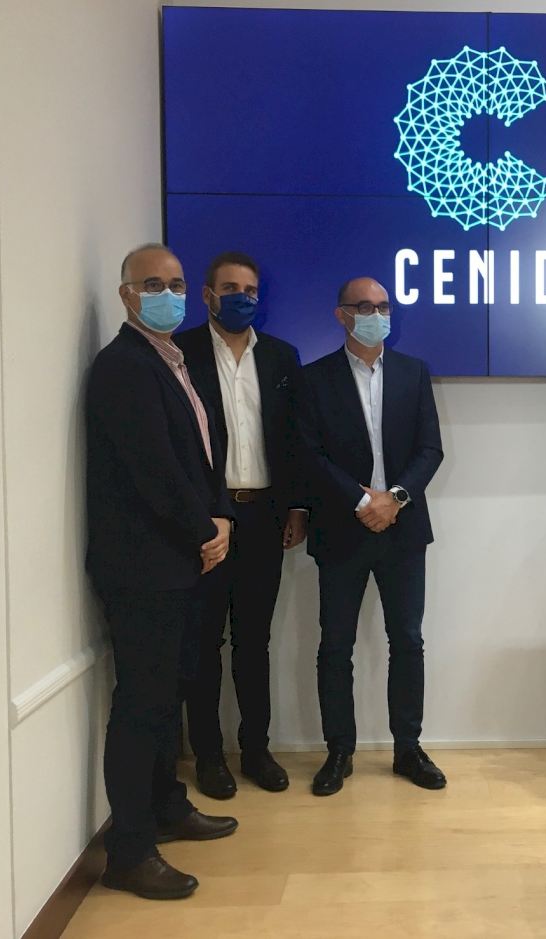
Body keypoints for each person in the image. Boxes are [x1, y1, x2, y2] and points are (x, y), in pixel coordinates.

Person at [85, 243, 238, 900]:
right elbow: (154, 470)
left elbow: (203, 453)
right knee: (141, 705)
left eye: (176, 284)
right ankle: (129, 849)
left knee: (168, 696)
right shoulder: (123, 366)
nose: (168, 295)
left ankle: (167, 807)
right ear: (126, 294)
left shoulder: (171, 361)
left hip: (181, 558)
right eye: (153, 284)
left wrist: (219, 516)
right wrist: (205, 529)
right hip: (143, 565)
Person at [301, 277, 447, 795]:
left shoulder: (413, 372)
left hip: (403, 530)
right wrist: (363, 501)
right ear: (341, 315)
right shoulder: (314, 379)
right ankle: (339, 751)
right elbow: (309, 454)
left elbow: (430, 449)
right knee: (335, 645)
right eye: (364, 307)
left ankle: (408, 748)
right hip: (342, 528)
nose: (376, 315)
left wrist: (395, 498)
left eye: (383, 306)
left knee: (407, 640)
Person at [174, 251, 310, 799]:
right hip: (207, 518)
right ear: (208, 295)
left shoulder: (280, 356)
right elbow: (179, 446)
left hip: (264, 516)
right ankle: (209, 757)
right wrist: (204, 514)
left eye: (250, 290)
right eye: (230, 288)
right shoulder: (181, 354)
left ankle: (256, 751)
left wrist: (297, 507)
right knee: (204, 641)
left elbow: (293, 441)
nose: (242, 297)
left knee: (255, 641)